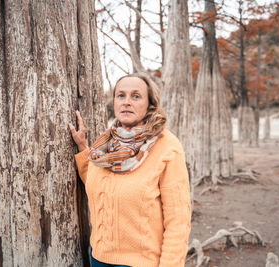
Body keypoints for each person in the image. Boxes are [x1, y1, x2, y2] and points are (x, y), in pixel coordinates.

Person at [69, 73, 191, 267]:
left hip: (142, 262)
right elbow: (98, 185)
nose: (127, 102)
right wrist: (84, 149)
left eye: (136, 96)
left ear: (150, 104)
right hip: (99, 256)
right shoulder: (107, 143)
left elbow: (178, 220)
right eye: (121, 95)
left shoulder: (167, 146)